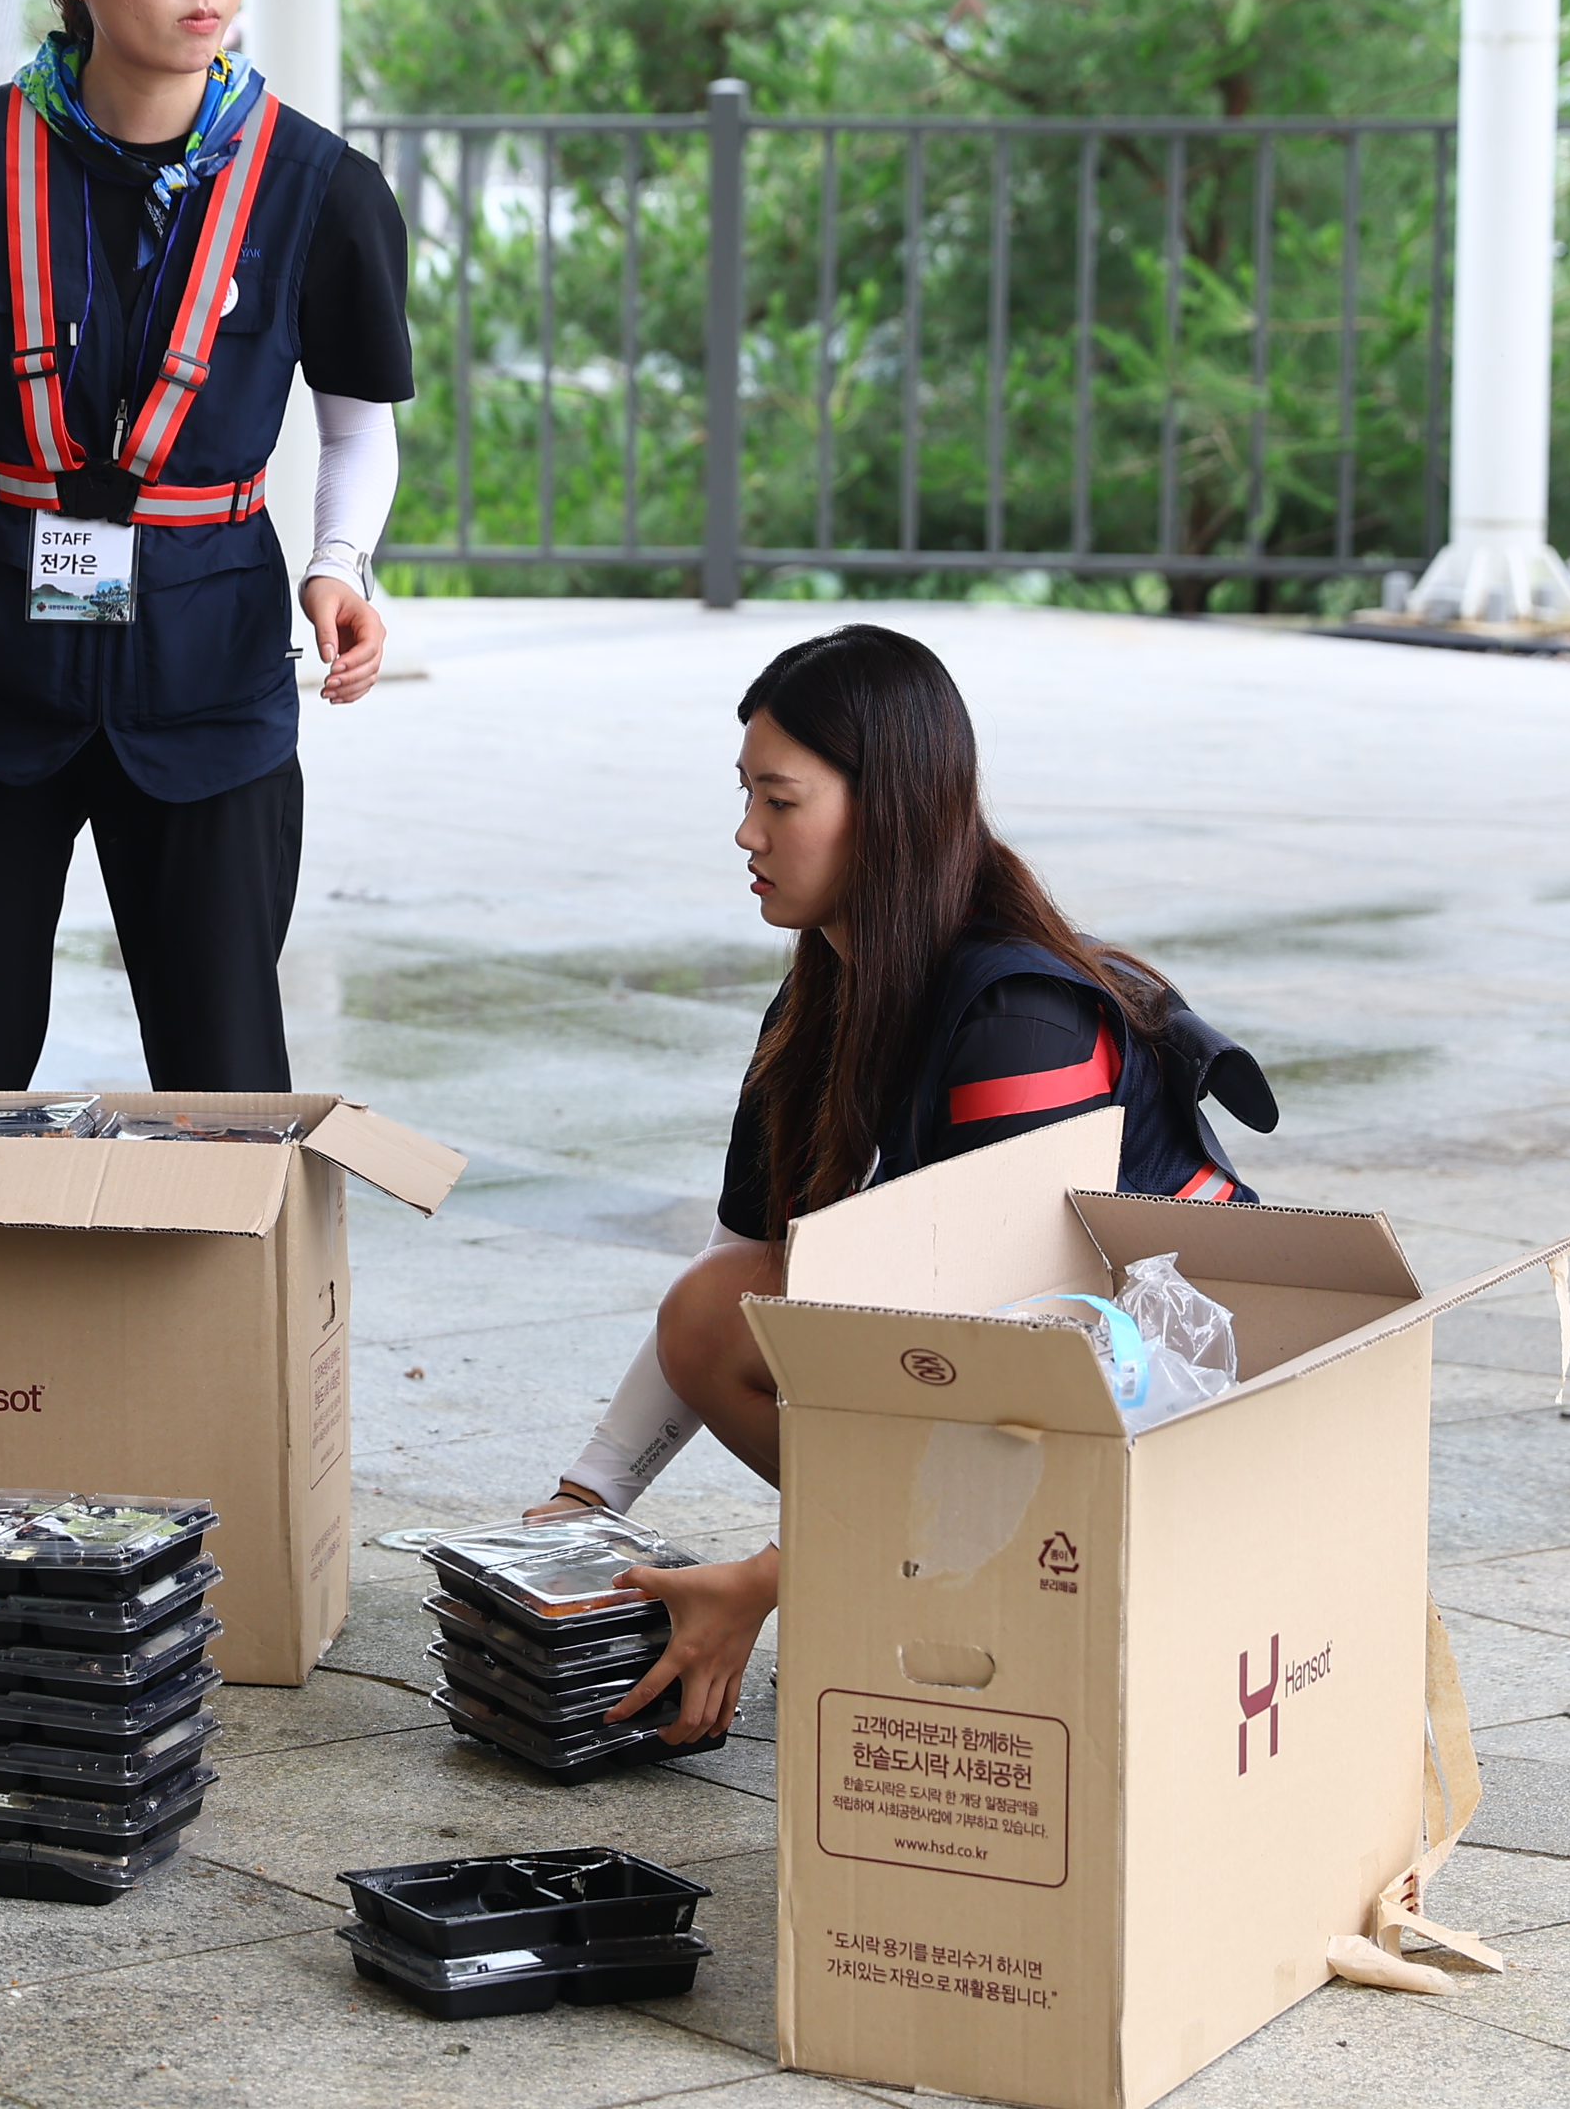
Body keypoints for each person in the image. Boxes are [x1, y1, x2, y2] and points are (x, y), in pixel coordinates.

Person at [537, 623, 1272, 1743]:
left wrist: (768, 1578)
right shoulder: (829, 985)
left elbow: (1018, 1366)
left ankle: (979, 1587)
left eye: (780, 800)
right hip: (1039, 1394)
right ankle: (923, 1572)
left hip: (1174, 1434)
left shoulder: (1022, 1020)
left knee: (910, 1343)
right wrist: (584, 1504)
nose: (746, 832)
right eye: (745, 793)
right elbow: (736, 1261)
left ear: (886, 808)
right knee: (719, 1310)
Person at [0, 0, 409, 1091]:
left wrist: (340, 562)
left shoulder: (321, 187)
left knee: (225, 1079)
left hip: (212, 674)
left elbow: (357, 422)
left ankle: (225, 1246)